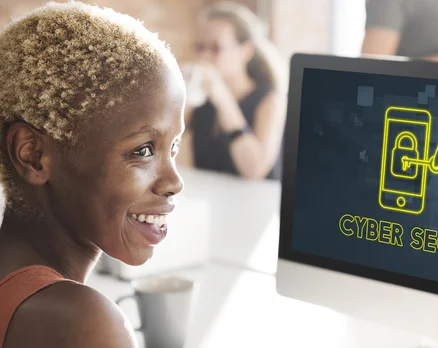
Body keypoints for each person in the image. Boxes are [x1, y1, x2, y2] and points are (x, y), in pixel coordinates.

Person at [0, 1, 185, 347]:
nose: (175, 182)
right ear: (34, 156)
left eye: (173, 146)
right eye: (143, 150)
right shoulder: (82, 323)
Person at [177, 1, 287, 180]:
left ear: (246, 51)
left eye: (216, 48)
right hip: (209, 203)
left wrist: (222, 98)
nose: (205, 56)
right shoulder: (200, 102)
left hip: (256, 204)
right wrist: (179, 111)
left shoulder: (269, 99)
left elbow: (255, 170)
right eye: (200, 47)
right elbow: (181, 168)